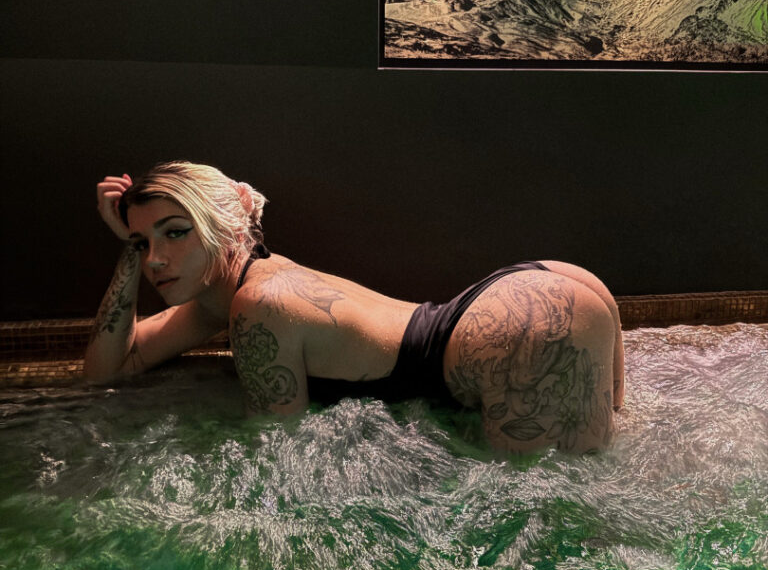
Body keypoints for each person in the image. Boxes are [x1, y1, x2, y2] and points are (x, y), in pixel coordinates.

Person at [84, 161, 625, 454]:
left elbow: (278, 452)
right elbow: (109, 369)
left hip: (517, 330)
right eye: (141, 243)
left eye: (175, 232)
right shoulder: (219, 300)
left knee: (562, 532)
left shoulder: (257, 304)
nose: (155, 259)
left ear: (222, 227)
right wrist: (125, 253)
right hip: (547, 289)